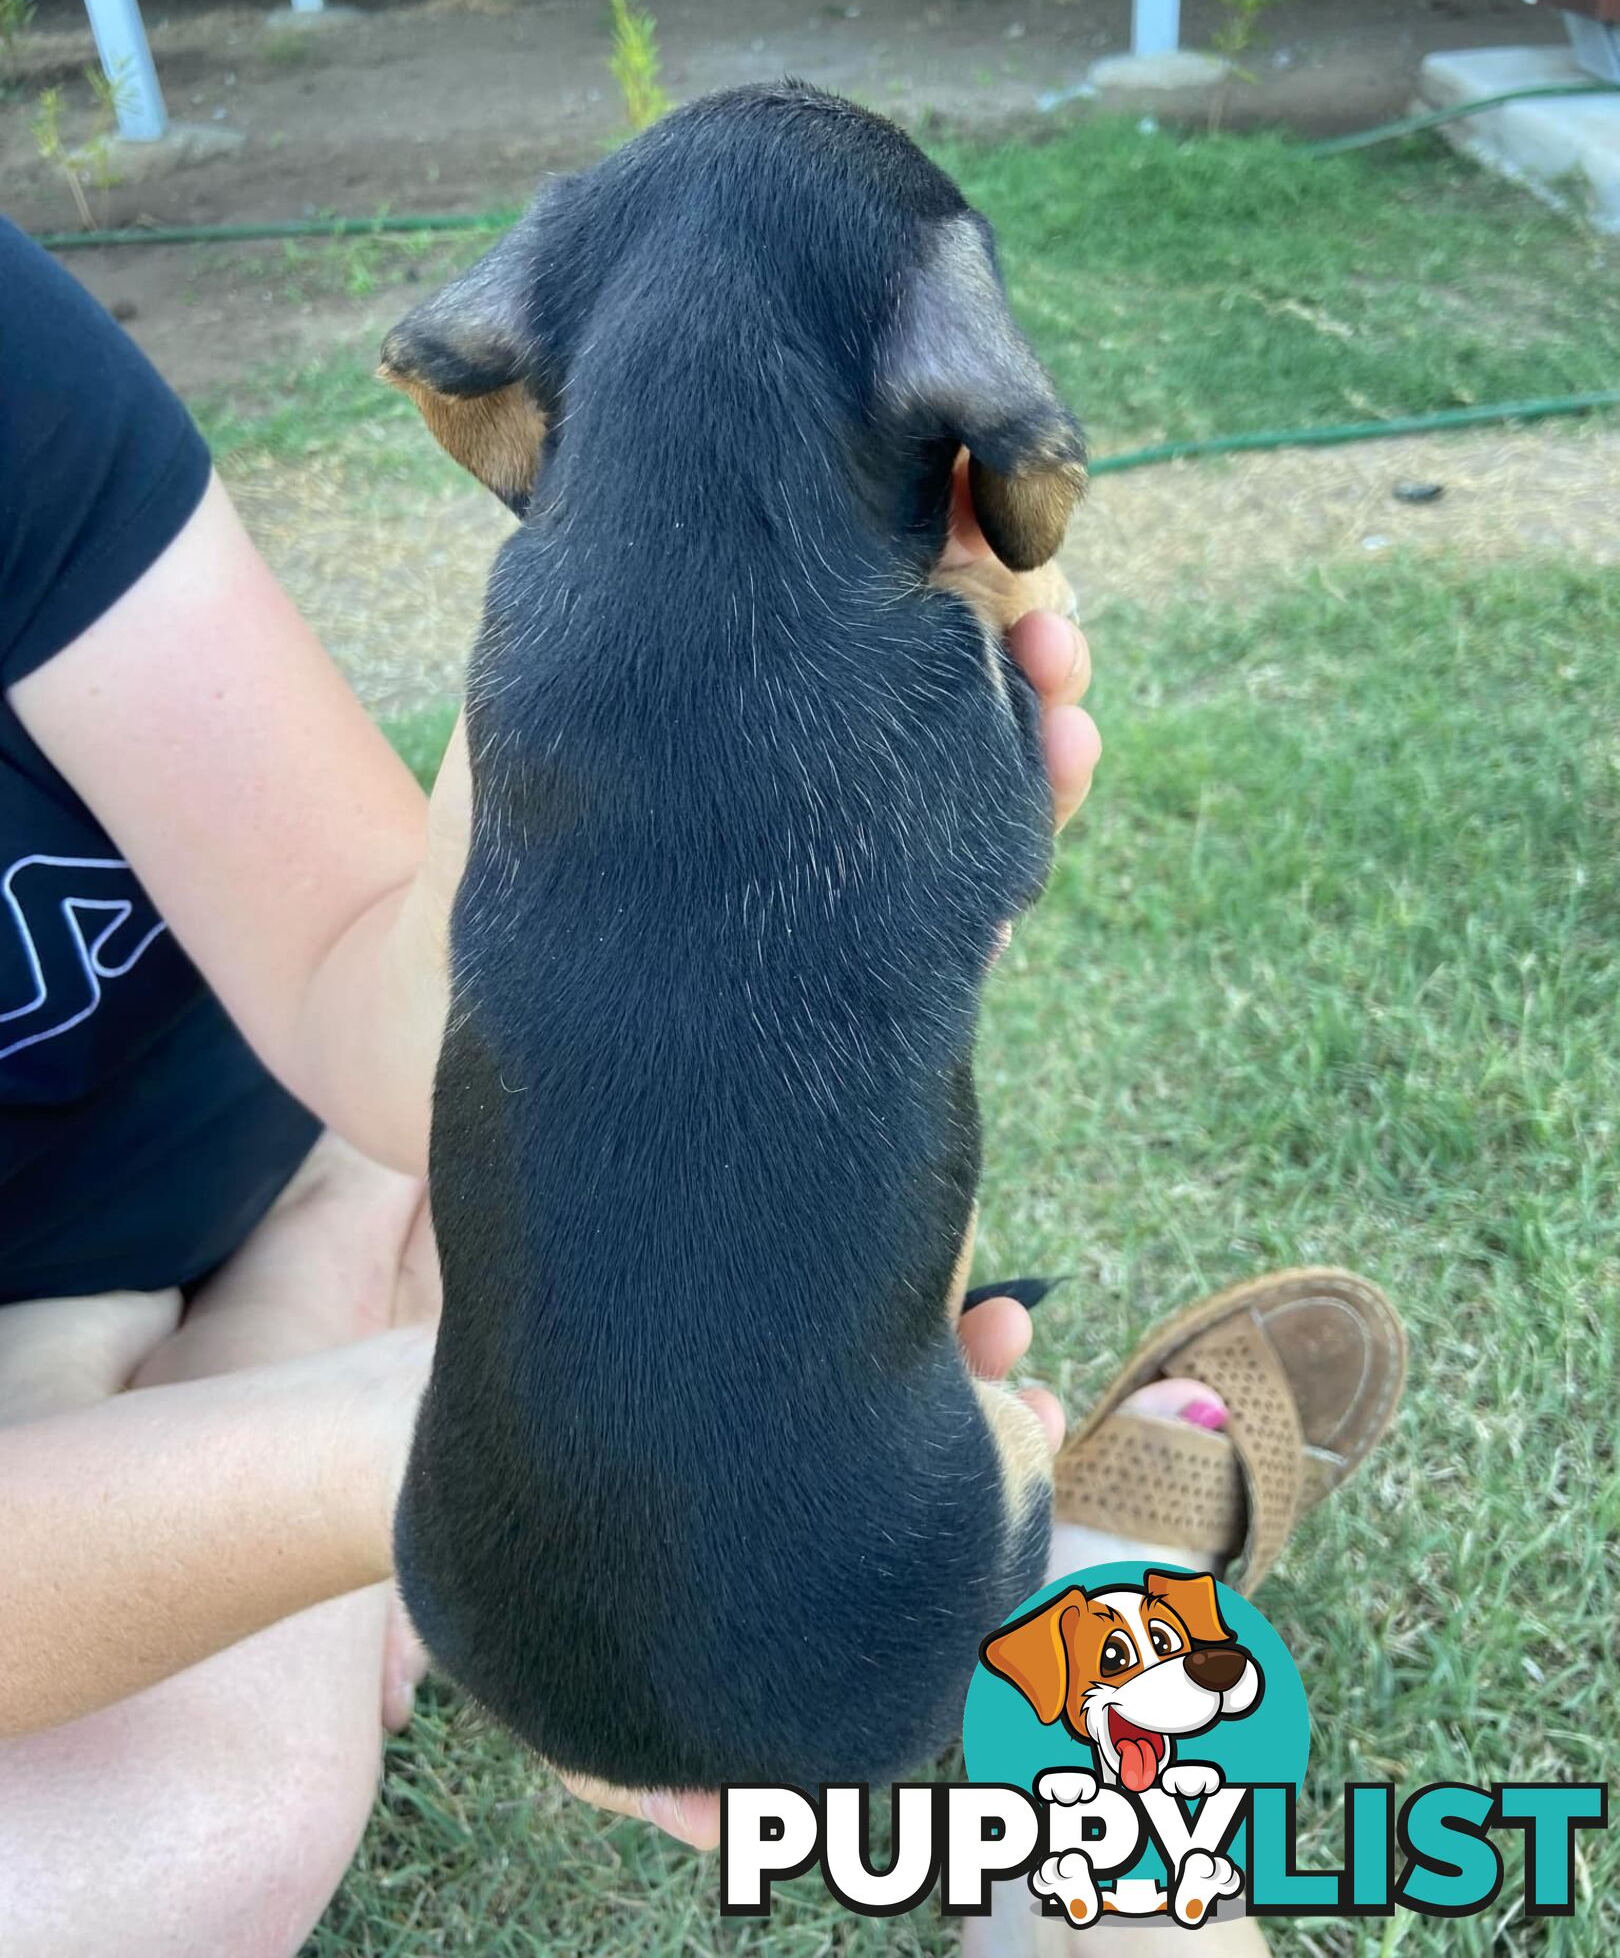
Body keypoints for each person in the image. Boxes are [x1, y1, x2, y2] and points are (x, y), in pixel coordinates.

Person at [3, 216, 1186, 1956]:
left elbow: (356, 966)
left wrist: (594, 855)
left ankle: (332, 1253)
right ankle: (348, 1301)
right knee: (160, 1856)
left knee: (196, 1825)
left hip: (202, 1153)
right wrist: (480, 1455)